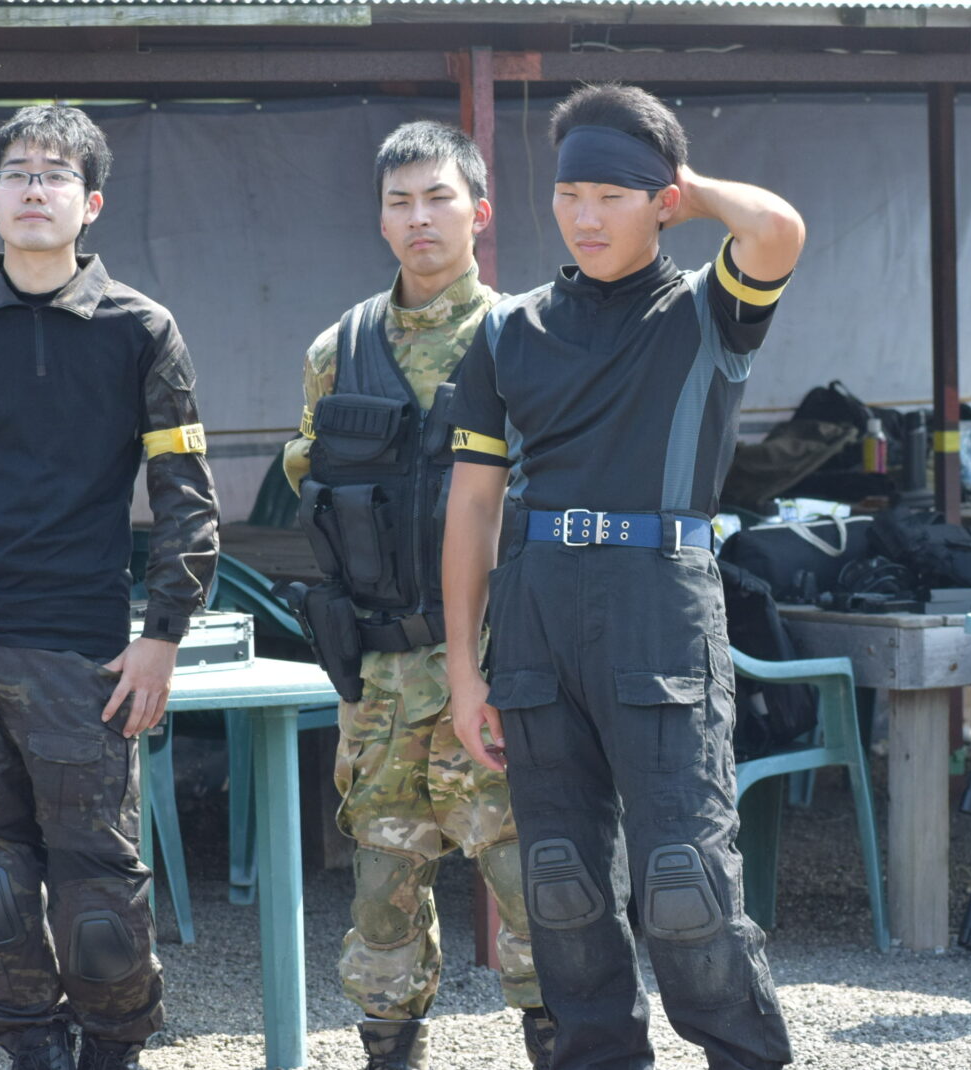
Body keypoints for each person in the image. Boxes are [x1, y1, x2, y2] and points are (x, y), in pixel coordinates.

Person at [442, 83, 805, 1069]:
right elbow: (472, 508)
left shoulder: (708, 312)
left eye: (612, 194)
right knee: (561, 886)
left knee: (685, 886)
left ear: (662, 201)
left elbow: (777, 229)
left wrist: (687, 184)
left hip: (660, 605)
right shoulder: (506, 331)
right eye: (570, 193)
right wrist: (465, 671)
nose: (586, 215)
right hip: (537, 611)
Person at [0, 105, 219, 1069]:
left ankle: (112, 1051)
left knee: (99, 895)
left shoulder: (141, 330)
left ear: (90, 203)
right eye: (19, 173)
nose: (36, 188)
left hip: (84, 655)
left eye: (57, 174)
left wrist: (162, 637)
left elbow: (187, 500)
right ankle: (29, 1052)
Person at [280, 120, 549, 1070]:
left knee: (536, 885)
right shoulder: (337, 350)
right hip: (384, 674)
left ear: (480, 212)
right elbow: (317, 494)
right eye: (400, 201)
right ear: (381, 219)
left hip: (503, 667)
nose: (419, 217)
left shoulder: (527, 338)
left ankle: (565, 1046)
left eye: (439, 197)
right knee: (380, 896)